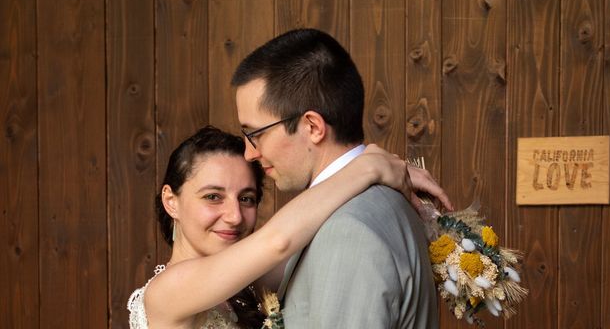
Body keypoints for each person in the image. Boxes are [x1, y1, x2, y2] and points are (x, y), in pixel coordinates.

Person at [232, 28, 441, 328]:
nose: (250, 153)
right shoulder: (383, 199)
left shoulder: (349, 231)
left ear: (313, 127)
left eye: (255, 134)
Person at [127, 125, 420, 328]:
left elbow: (315, 232)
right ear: (171, 201)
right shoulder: (168, 291)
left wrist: (389, 180)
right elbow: (279, 240)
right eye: (213, 197)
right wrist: (369, 167)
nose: (234, 216)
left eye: (247, 198)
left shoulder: (248, 285)